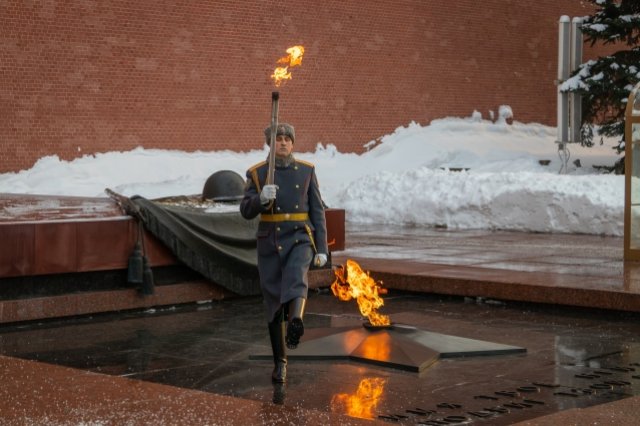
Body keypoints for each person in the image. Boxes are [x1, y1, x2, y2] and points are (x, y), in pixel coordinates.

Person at [240, 122, 328, 384]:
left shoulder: (306, 171)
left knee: (297, 275)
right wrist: (260, 200)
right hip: (270, 240)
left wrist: (322, 248)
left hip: (300, 235)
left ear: (293, 142)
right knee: (273, 305)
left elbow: (318, 211)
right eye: (278, 138)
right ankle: (280, 362)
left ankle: (296, 321)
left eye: (288, 138)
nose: (283, 143)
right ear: (270, 142)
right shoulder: (257, 173)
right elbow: (245, 210)